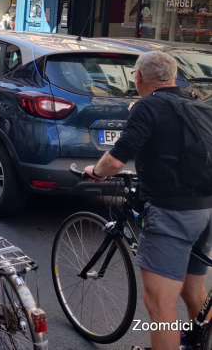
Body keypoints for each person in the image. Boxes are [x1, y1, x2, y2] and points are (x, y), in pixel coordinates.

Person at [85, 51, 212, 350]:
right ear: (174, 75)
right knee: (194, 291)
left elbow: (116, 160)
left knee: (159, 304)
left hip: (171, 211)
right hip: (205, 207)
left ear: (138, 77)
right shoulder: (197, 104)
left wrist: (97, 172)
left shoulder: (147, 106)